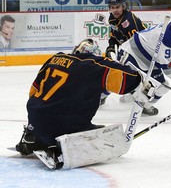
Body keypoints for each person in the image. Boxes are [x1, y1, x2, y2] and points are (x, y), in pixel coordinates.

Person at [15, 38, 155, 169]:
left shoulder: (55, 58)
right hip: (60, 125)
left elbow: (33, 92)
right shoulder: (90, 67)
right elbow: (125, 81)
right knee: (100, 133)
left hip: (34, 119)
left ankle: (33, 137)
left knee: (50, 113)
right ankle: (55, 146)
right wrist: (140, 80)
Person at [118, 8, 171, 116]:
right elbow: (167, 68)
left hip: (150, 59)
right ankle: (104, 96)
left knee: (163, 86)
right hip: (132, 54)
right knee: (122, 79)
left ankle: (145, 106)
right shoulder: (168, 38)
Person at [101, 0, 146, 106]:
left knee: (127, 73)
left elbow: (136, 43)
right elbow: (114, 36)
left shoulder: (129, 21)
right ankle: (104, 94)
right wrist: (111, 48)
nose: (115, 10)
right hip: (127, 49)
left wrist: (123, 57)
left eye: (118, 7)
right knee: (109, 68)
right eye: (112, 7)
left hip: (141, 51)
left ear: (123, 7)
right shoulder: (112, 18)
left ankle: (141, 100)